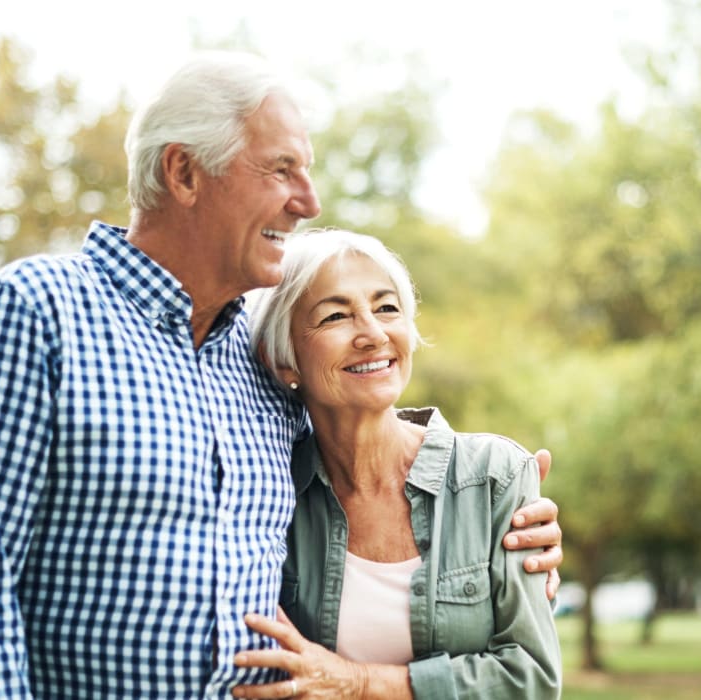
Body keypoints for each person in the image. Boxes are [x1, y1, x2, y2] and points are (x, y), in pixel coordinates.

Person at [0, 50, 562, 698]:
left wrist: (496, 520)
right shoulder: (37, 312)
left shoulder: (258, 354)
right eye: (283, 170)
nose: (309, 201)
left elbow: (366, 441)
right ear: (185, 173)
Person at [232, 229, 561, 699]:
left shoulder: (495, 474)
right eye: (335, 316)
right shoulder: (267, 491)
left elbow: (530, 679)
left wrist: (357, 683)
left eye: (387, 308)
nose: (373, 334)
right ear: (283, 359)